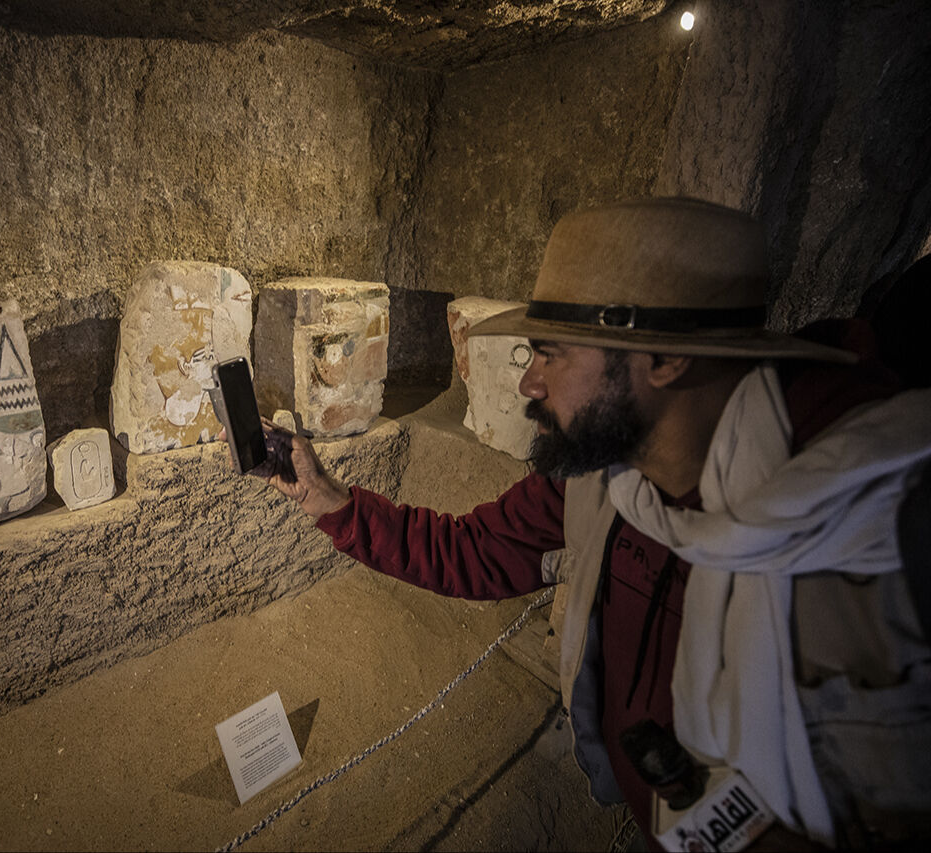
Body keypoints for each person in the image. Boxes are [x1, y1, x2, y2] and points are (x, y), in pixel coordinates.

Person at [252, 198, 931, 849]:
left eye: (553, 353)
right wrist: (326, 497)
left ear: (665, 360)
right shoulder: (607, 478)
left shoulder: (881, 529)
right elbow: (477, 551)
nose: (529, 384)